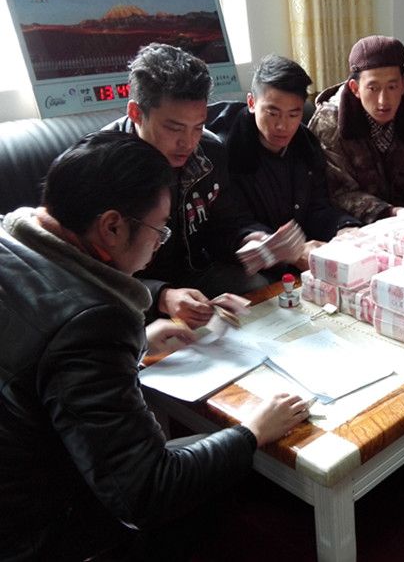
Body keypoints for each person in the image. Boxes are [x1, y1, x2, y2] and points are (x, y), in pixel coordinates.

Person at [0, 132, 311, 560]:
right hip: (37, 527)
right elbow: (147, 491)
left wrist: (138, 346)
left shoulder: (12, 239)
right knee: (242, 475)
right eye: (158, 230)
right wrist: (251, 431)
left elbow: (37, 365)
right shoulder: (90, 324)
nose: (159, 242)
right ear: (112, 226)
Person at [105, 43, 302, 328]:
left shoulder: (209, 152)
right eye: (174, 128)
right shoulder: (103, 168)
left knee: (258, 291)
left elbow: (228, 222)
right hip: (130, 291)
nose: (188, 142)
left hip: (196, 275)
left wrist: (252, 240)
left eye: (198, 126)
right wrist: (162, 295)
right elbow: (88, 272)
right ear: (136, 113)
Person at [208, 54, 360, 271]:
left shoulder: (306, 145)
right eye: (273, 113)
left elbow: (317, 207)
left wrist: (344, 227)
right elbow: (233, 225)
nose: (283, 126)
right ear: (252, 103)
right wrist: (287, 251)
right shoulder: (226, 150)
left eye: (293, 115)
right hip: (250, 263)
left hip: (304, 255)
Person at [309, 35, 404, 223]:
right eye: (373, 88)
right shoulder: (329, 125)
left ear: (403, 85)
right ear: (355, 88)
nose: (383, 100)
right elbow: (339, 192)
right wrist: (390, 212)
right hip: (355, 224)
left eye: (392, 87)